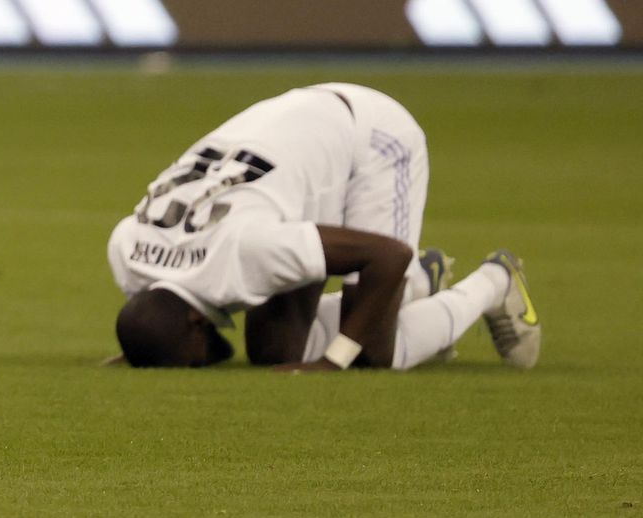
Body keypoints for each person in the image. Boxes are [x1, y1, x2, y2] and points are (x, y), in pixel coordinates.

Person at [107, 83, 541, 371]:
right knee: (275, 354)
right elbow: (151, 317)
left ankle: (492, 282)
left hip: (370, 138)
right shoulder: (126, 247)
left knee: (370, 353)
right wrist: (145, 349)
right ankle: (412, 286)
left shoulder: (247, 251)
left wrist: (334, 361)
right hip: (293, 146)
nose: (199, 366)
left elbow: (388, 255)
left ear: (194, 323)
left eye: (189, 361)